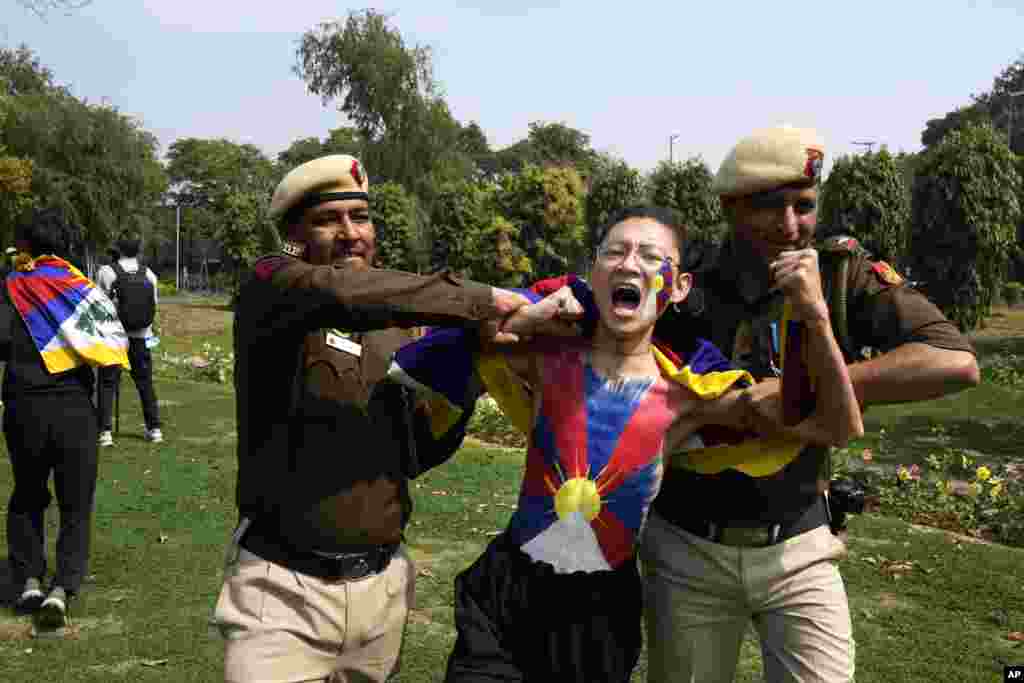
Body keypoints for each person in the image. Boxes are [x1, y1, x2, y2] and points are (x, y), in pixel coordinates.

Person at [390, 205, 863, 682]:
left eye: (652, 256)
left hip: (598, 612)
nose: (630, 263)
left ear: (679, 287)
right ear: (594, 274)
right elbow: (434, 349)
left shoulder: (689, 397)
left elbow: (835, 426)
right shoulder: (544, 356)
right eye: (614, 252)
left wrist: (814, 314)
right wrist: (528, 315)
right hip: (507, 589)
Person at [637, 126, 980, 682]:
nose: (792, 225)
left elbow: (955, 360)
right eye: (770, 208)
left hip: (800, 546)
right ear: (729, 208)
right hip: (687, 548)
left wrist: (815, 383)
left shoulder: (840, 273)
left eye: (804, 206)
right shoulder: (682, 278)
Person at [211, 154, 544, 683]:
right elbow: (339, 294)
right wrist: (480, 300)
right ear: (293, 235)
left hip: (380, 593)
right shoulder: (272, 287)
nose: (350, 234)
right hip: (280, 592)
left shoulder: (397, 331)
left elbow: (414, 452)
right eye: (328, 220)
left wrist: (471, 375)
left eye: (360, 218)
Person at [1, 207, 129, 627]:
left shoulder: (11, 287)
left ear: (24, 244)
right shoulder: (81, 288)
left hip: (24, 406)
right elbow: (109, 338)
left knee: (27, 496)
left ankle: (30, 579)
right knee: (76, 503)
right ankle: (63, 587)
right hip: (75, 408)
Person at [95, 236, 162, 446]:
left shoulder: (107, 272)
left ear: (118, 249)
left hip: (115, 337)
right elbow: (154, 305)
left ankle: (105, 432)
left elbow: (98, 304)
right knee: (145, 384)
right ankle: (154, 429)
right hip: (141, 337)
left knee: (107, 384)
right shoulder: (149, 274)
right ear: (138, 250)